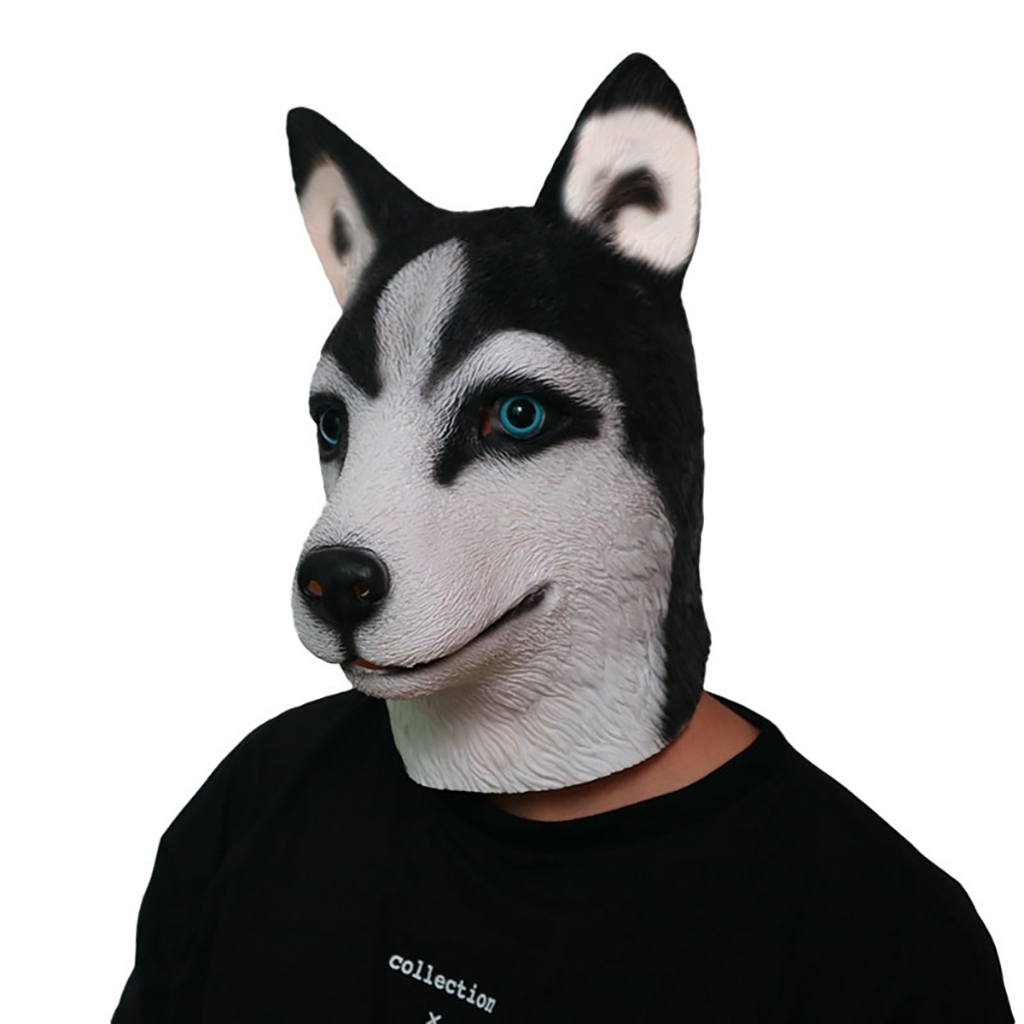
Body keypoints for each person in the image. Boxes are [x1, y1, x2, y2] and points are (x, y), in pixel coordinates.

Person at [114, 54, 1013, 1023]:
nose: (344, 538)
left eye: (517, 415)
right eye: (341, 427)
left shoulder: (880, 943)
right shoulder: (256, 805)